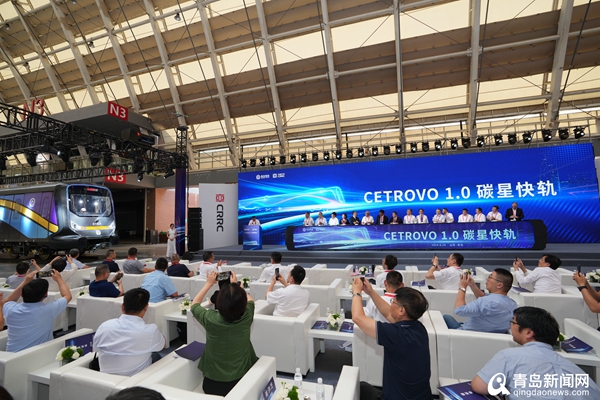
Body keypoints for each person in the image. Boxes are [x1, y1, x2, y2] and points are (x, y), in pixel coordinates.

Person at [471, 306, 600, 399]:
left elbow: (479, 386)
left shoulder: (509, 356)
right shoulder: (576, 371)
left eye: (513, 322)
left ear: (528, 332)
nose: (510, 326)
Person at [352, 280, 432, 400]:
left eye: (392, 302)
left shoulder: (395, 334)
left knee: (359, 387)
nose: (390, 305)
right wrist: (371, 292)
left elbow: (358, 318)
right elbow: (389, 314)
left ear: (401, 310)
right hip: (423, 397)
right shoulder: (419, 328)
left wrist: (356, 292)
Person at [191, 271, 258, 396]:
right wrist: (236, 286)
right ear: (243, 303)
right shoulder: (247, 315)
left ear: (219, 302)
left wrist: (208, 284)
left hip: (211, 384)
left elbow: (194, 304)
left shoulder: (210, 318)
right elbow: (251, 301)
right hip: (242, 382)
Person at [93, 288, 166, 376]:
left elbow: (95, 349)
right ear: (146, 307)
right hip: (136, 380)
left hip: (105, 378)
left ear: (122, 306)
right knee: (156, 355)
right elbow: (162, 345)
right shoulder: (150, 331)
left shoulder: (104, 326)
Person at [2, 270, 71, 352]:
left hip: (11, 354)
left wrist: (25, 281)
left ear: (21, 294)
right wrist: (59, 279)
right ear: (46, 294)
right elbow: (67, 296)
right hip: (39, 354)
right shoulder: (48, 309)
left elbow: (7, 301)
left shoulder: (11, 309)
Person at [443, 269, 517, 333]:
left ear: (499, 285)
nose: (487, 279)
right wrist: (472, 285)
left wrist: (462, 287)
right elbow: (485, 299)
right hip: (488, 334)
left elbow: (459, 310)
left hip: (466, 333)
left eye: (490, 277)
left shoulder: (486, 302)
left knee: (446, 317)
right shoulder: (513, 304)